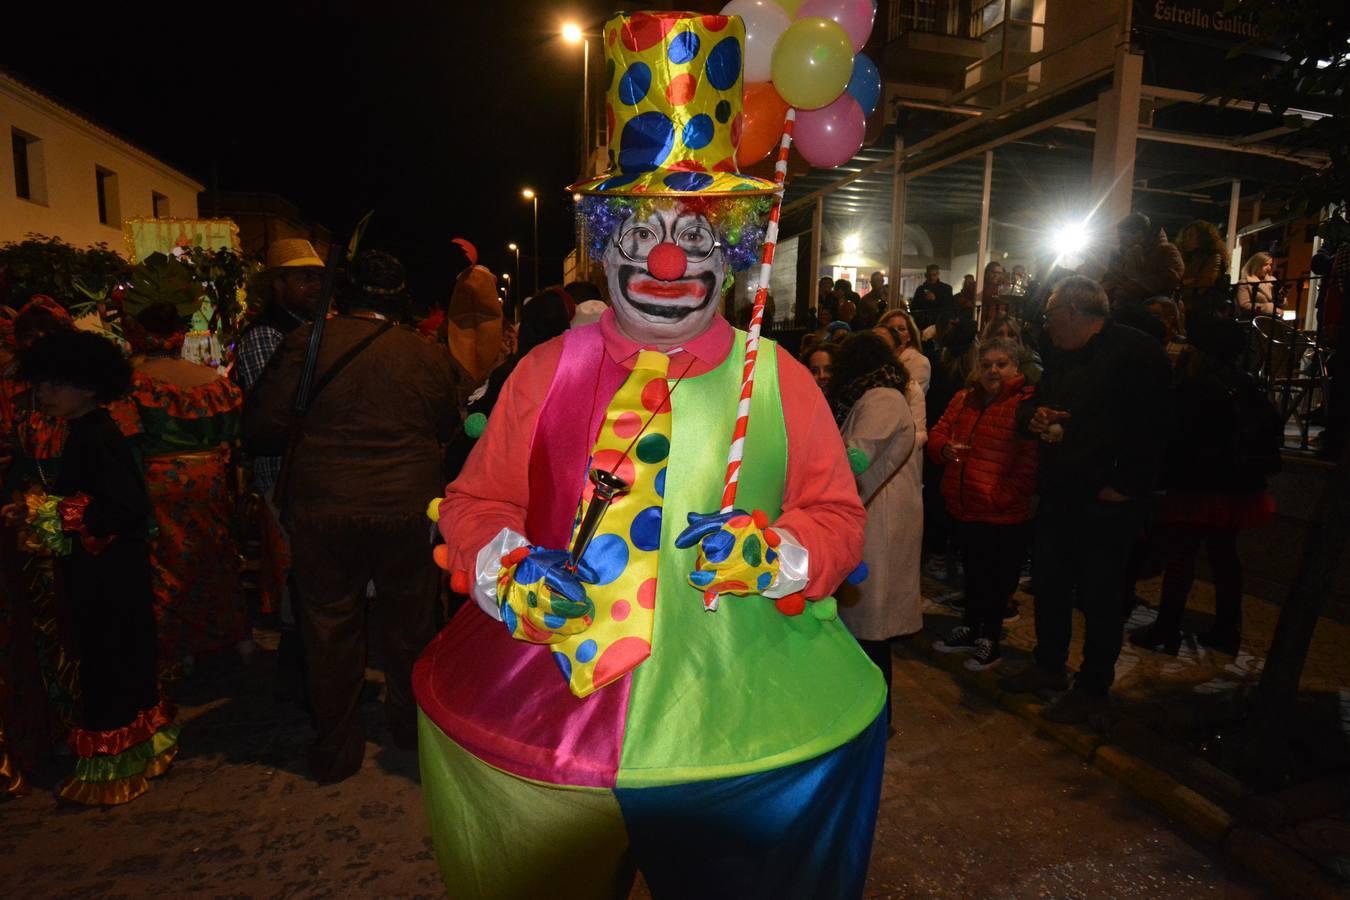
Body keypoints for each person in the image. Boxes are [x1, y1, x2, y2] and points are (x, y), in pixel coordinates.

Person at [416, 17, 882, 896]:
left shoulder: (775, 379)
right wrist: (506, 569)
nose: (667, 260)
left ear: (734, 249)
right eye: (641, 232)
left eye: (696, 235)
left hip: (737, 727)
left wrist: (775, 554)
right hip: (547, 711)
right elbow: (476, 504)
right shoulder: (546, 370)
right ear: (606, 242)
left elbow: (837, 520)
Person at [246, 250, 457, 783]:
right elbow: (447, 425)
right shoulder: (426, 354)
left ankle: (337, 748)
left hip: (324, 507)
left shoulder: (306, 345)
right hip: (406, 508)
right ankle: (410, 730)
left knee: (328, 624)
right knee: (410, 624)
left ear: (343, 295)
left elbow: (264, 424)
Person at [5, 330, 177, 805]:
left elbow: (124, 506)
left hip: (108, 575)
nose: (44, 395)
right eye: (42, 385)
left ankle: (112, 767)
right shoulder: (87, 430)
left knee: (107, 660)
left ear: (88, 386)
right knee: (124, 657)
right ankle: (143, 747)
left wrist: (55, 513)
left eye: (55, 385)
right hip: (110, 569)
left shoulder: (97, 435)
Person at [999, 276, 1172, 724]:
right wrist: (1033, 416)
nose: (1046, 323)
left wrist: (1125, 484)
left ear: (1073, 312)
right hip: (1061, 490)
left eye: (1051, 313)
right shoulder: (1061, 355)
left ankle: (1094, 685)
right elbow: (1035, 403)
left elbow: (1154, 428)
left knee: (1100, 594)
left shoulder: (1135, 354)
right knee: (1051, 584)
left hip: (1106, 499)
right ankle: (1049, 664)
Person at [1129, 321, 1279, 656]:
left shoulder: (1194, 386)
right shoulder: (1247, 385)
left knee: (1181, 554)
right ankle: (1228, 628)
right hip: (1239, 488)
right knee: (1224, 555)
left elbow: (1177, 438)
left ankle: (1167, 628)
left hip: (1197, 486)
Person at [126, 296, 249, 679]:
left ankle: (178, 649)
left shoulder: (134, 384)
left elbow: (126, 438)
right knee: (214, 554)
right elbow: (234, 434)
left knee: (166, 561)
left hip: (159, 480)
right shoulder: (213, 382)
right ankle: (233, 636)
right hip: (209, 478)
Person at [237, 238, 324, 677]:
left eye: (317, 277)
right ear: (278, 283)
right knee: (300, 573)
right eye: (304, 276)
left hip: (305, 469)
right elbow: (273, 415)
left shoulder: (305, 329)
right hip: (283, 472)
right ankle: (299, 673)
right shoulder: (266, 336)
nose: (314, 285)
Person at [928, 338, 1038, 671]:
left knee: (998, 578)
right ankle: (971, 626)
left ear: (1015, 368)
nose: (993, 370)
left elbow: (1030, 462)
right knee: (973, 572)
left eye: (1001, 364)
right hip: (966, 504)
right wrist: (944, 449)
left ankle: (990, 637)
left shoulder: (1024, 404)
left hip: (1000, 510)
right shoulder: (965, 398)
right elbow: (938, 434)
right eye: (987, 364)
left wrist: (1000, 496)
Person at [831, 331, 920, 713]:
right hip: (873, 515)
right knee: (864, 626)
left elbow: (857, 458)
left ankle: (876, 718)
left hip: (877, 521)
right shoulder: (873, 395)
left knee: (871, 630)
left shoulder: (881, 398)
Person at [1101, 213, 1184, 310]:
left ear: (1139, 235)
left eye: (1124, 238)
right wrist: (1106, 287)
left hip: (1154, 310)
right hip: (1123, 305)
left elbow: (1171, 278)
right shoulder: (1120, 254)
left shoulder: (1166, 251)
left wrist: (1132, 288)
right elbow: (1110, 276)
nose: (1120, 241)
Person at [980, 315, 1042, 384]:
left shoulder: (1031, 368)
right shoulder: (979, 366)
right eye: (999, 334)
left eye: (1011, 335)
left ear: (1018, 339)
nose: (1006, 339)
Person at [1235, 251, 1282, 317]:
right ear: (1256, 265)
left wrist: (1282, 298)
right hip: (1254, 320)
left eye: (1270, 265)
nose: (1269, 268)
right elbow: (1244, 305)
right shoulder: (1245, 282)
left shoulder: (1272, 281)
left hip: (1273, 319)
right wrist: (1269, 308)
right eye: (1265, 264)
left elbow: (1279, 303)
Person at [910, 264, 953, 332]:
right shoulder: (920, 289)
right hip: (923, 324)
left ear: (938, 274)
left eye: (934, 275)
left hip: (939, 324)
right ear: (926, 275)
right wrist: (924, 300)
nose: (932, 277)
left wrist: (934, 300)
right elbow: (913, 307)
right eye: (929, 275)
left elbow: (948, 307)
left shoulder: (946, 289)